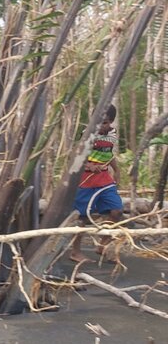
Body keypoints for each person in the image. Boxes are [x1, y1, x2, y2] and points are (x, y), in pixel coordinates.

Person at [70, 105, 123, 263]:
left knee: (117, 211)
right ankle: (75, 251)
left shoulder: (112, 134)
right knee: (83, 217)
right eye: (97, 122)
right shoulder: (86, 134)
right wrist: (90, 166)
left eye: (105, 123)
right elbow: (75, 158)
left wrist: (116, 169)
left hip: (104, 179)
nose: (100, 126)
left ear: (111, 122)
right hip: (86, 180)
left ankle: (102, 244)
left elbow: (108, 153)